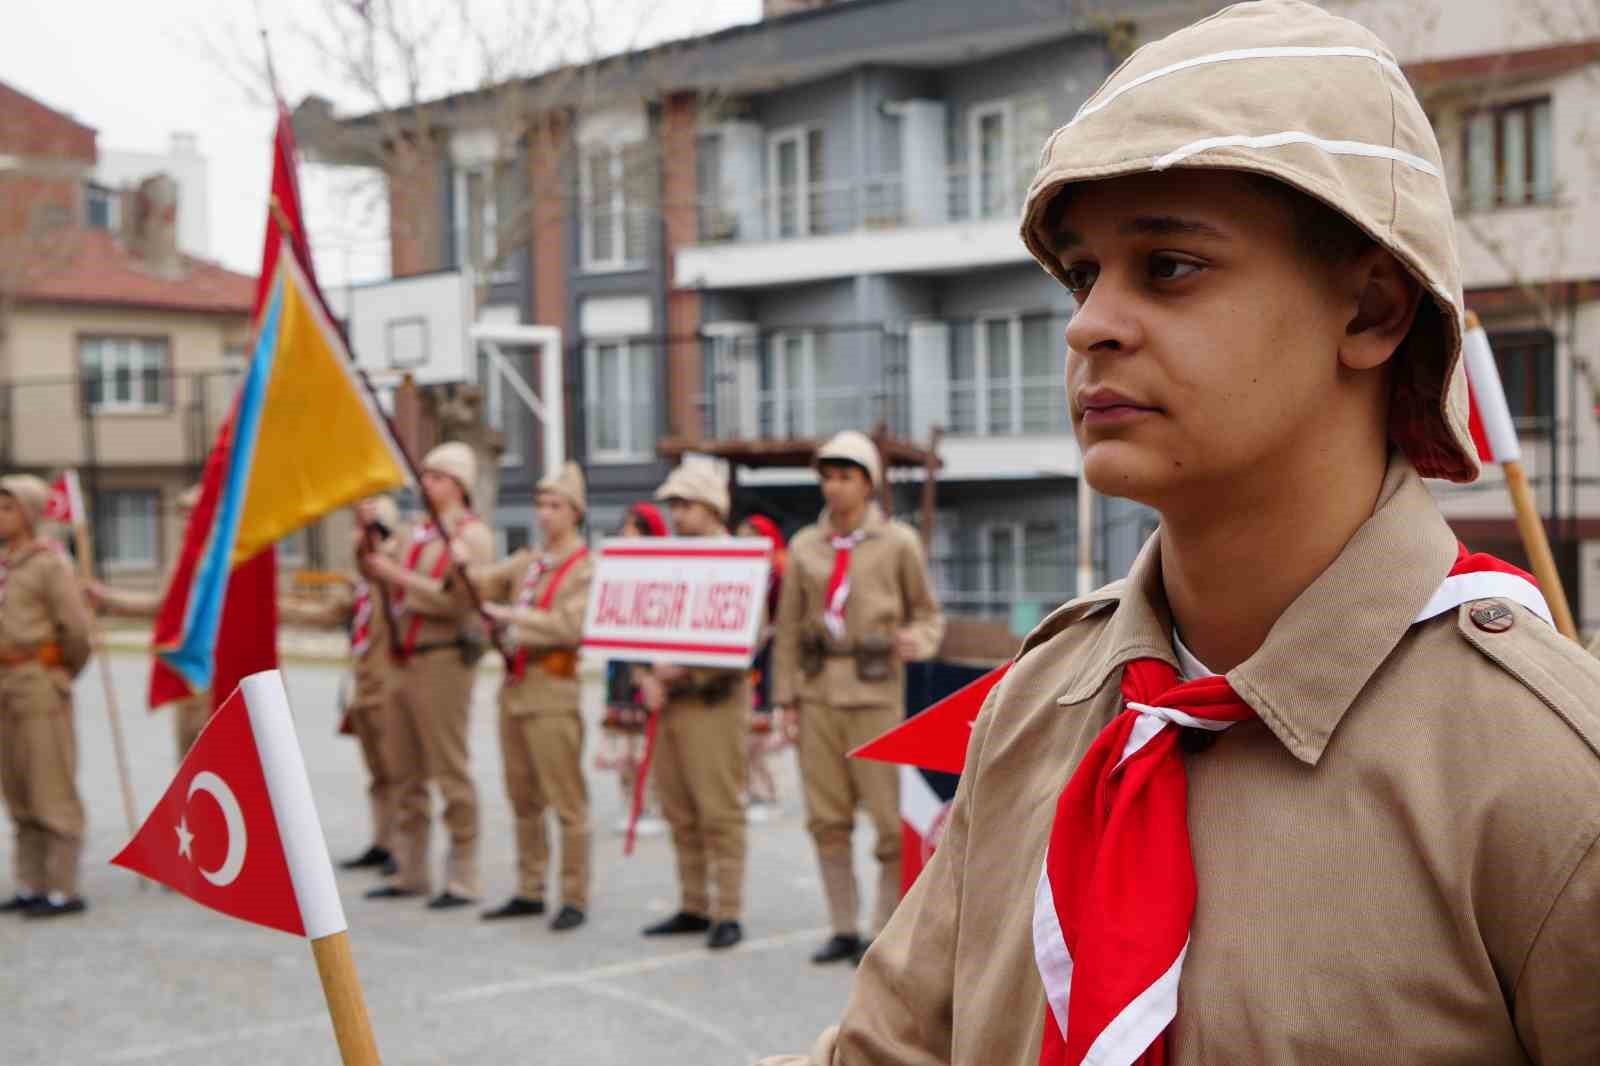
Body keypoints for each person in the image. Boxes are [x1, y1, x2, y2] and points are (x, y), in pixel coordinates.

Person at [759, 2, 1600, 1063]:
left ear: (1369, 313)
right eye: (1080, 274)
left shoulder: (1542, 775)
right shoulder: (1040, 708)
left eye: (1168, 266)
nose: (1086, 323)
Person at [771, 431, 945, 966]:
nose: (835, 486)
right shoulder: (804, 545)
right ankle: (842, 926)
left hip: (875, 693)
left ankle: (884, 929)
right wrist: (786, 702)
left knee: (889, 823)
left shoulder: (897, 543)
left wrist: (922, 639)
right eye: (828, 475)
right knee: (827, 818)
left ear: (869, 484)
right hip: (819, 690)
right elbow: (789, 628)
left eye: (846, 476)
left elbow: (927, 612)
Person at [359, 442, 494, 910]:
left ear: (458, 485)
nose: (427, 484)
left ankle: (463, 875)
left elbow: (458, 602)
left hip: (442, 658)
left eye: (436, 477)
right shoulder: (416, 531)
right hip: (401, 657)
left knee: (449, 767)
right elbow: (374, 568)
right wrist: (368, 534)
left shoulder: (472, 537)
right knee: (403, 770)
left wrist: (399, 578)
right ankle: (411, 868)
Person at [466, 462, 595, 931]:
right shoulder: (529, 562)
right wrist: (463, 566)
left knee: (566, 799)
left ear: (576, 512)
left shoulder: (585, 567)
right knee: (522, 796)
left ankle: (575, 894)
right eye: (540, 504)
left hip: (553, 688)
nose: (544, 514)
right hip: (515, 689)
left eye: (555, 506)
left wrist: (511, 618)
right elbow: (482, 581)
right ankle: (530, 887)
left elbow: (570, 625)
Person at [637, 462, 751, 951]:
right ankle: (693, 902)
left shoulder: (739, 561)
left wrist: (686, 672)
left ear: (711, 507)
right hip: (669, 701)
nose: (676, 515)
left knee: (717, 807)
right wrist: (644, 676)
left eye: (684, 505)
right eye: (674, 506)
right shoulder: (671, 561)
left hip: (712, 701)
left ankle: (727, 909)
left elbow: (743, 641)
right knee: (678, 807)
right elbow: (642, 624)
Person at [278, 495, 404, 873]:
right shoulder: (360, 587)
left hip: (389, 686)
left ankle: (403, 849)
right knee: (377, 775)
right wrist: (276, 609)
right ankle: (382, 842)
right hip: (362, 687)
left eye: (376, 533)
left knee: (399, 773)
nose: (366, 542)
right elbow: (325, 613)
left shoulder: (393, 583)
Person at [0, 475, 93, 919]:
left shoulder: (49, 564)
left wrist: (59, 672)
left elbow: (76, 630)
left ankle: (63, 887)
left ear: (32, 514)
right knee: (17, 787)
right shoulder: (6, 565)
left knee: (50, 782)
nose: (1, 516)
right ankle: (31, 882)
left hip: (40, 682)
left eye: (8, 507)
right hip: (5, 685)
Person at [85, 485, 211, 760]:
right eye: (184, 516)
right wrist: (106, 597)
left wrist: (320, 615)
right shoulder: (183, 563)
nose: (186, 523)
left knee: (223, 762)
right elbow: (160, 607)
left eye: (194, 515)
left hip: (220, 675)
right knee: (191, 763)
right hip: (186, 675)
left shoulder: (232, 560)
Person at [599, 502, 667, 836]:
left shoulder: (664, 571)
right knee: (623, 744)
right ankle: (628, 803)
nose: (627, 534)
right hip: (620, 665)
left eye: (635, 527)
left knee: (647, 746)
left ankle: (651, 804)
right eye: (625, 526)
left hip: (650, 662)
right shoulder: (615, 569)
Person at [737, 512, 787, 820]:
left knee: (761, 728)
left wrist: (772, 630)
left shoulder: (779, 570)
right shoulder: (740, 570)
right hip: (746, 654)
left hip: (769, 654)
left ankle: (765, 792)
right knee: (744, 729)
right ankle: (752, 788)